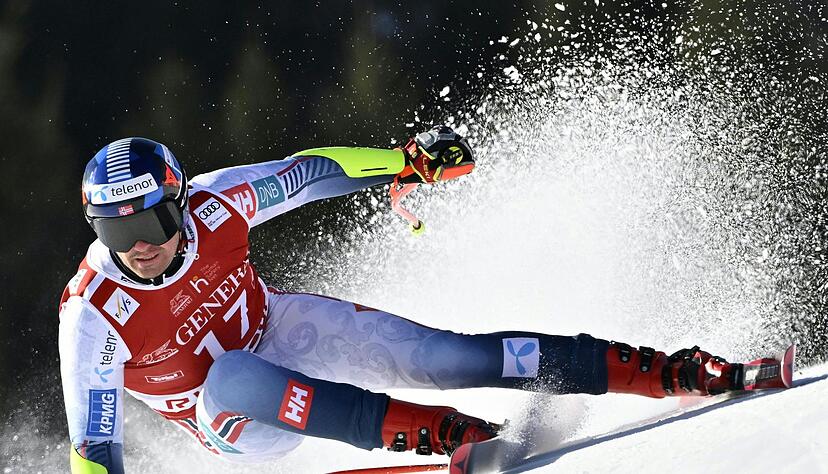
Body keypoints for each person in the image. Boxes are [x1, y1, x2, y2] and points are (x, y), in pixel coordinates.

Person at [59, 131, 740, 473]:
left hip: (282, 329)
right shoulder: (93, 316)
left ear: (178, 204)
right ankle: (449, 433)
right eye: (114, 231)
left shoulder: (217, 204)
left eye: (149, 225)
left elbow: (307, 173)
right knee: (232, 376)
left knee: (447, 354)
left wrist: (403, 162)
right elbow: (94, 444)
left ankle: (667, 370)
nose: (137, 247)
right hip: (233, 419)